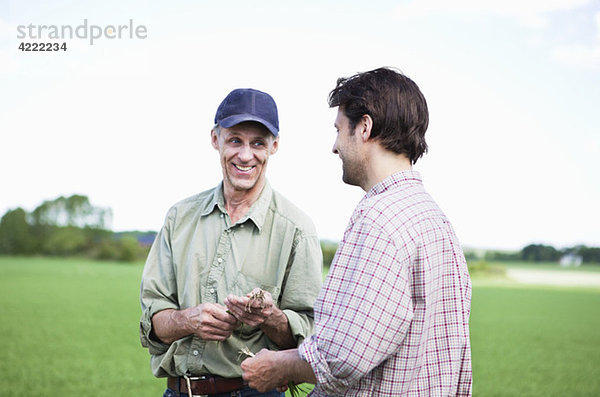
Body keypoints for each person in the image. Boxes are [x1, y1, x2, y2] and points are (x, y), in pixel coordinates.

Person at [241, 68, 473, 396]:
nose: (335, 146)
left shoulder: (378, 219)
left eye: (338, 129)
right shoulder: (437, 220)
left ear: (363, 127)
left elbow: (342, 356)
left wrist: (278, 365)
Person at [139, 88, 323, 397]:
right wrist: (187, 320)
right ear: (215, 139)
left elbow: (310, 340)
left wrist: (271, 318)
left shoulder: (297, 229)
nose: (246, 155)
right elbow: (153, 322)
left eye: (258, 143)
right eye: (235, 140)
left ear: (274, 146)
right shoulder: (179, 218)